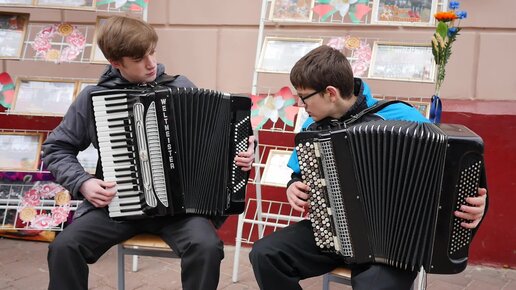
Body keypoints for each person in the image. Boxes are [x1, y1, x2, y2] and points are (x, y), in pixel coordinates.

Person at [249, 45, 488, 290]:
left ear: (330, 93)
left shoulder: (402, 116)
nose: (302, 105)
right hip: (332, 233)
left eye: (304, 97)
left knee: (373, 285)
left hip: (394, 245)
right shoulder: (312, 127)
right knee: (265, 255)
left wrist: (475, 205)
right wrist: (293, 186)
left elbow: (451, 167)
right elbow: (298, 174)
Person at [42, 16, 255, 290]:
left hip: (180, 212)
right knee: (64, 247)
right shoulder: (94, 98)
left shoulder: (179, 86)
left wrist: (241, 155)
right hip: (116, 207)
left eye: (152, 52)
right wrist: (83, 182)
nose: (151, 63)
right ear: (116, 62)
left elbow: (220, 138)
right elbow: (56, 148)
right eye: (139, 58)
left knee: (207, 246)